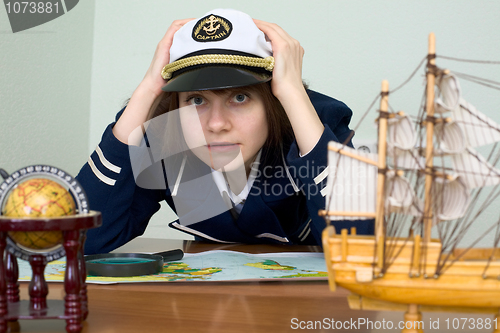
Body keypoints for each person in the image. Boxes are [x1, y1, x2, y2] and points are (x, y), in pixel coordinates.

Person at [76, 8, 373, 254]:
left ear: (273, 101)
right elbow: (81, 240)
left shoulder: (311, 123)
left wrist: (294, 94)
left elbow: (358, 248)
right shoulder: (167, 135)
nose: (216, 124)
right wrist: (147, 91)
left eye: (240, 97)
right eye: (197, 100)